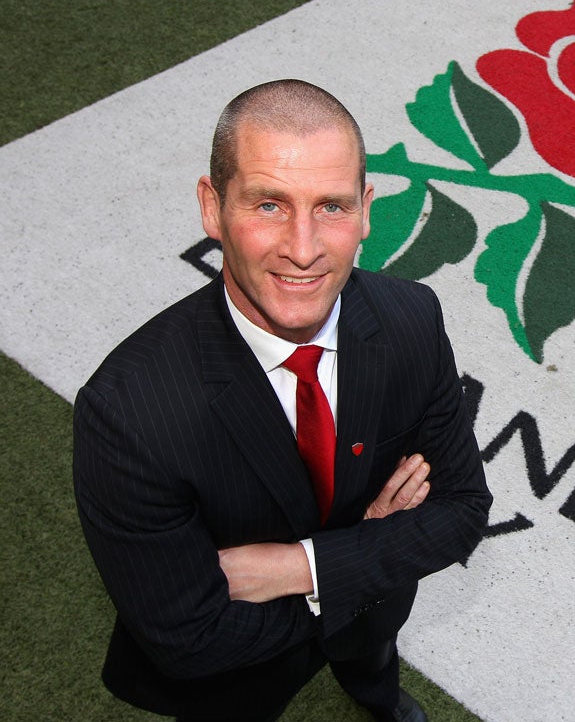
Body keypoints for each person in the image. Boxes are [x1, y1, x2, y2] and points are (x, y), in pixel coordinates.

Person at [72, 79, 492, 722]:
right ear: (212, 208)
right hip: (233, 676)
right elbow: (189, 639)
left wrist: (303, 568)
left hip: (370, 615)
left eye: (331, 206)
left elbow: (463, 510)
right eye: (269, 205)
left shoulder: (412, 318)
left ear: (367, 211)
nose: (303, 248)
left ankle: (376, 694)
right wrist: (368, 557)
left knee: (373, 663)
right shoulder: (128, 413)